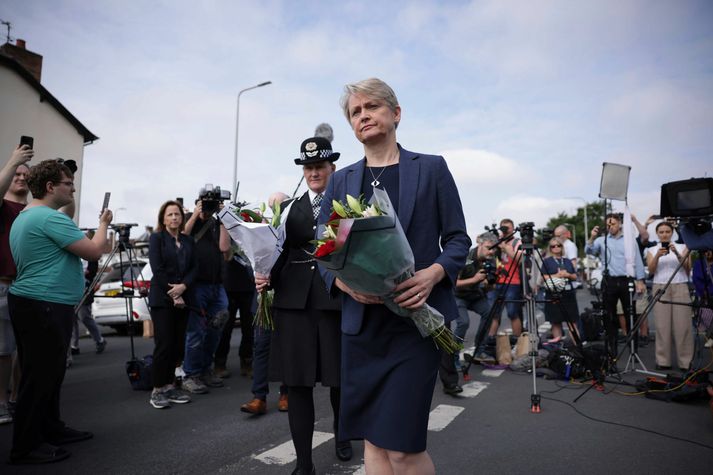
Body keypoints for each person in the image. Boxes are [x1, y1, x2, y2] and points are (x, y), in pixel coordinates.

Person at [319, 78, 470, 475]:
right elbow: (322, 252)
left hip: (415, 325)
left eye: (372, 106)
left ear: (396, 113)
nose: (364, 115)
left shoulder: (432, 168)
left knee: (403, 448)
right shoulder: (341, 180)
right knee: (373, 441)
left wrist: (433, 274)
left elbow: (457, 239)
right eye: (356, 111)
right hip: (362, 327)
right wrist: (344, 282)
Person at [256, 137, 350, 475]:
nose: (313, 172)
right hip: (293, 304)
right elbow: (275, 251)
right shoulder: (288, 209)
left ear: (331, 169)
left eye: (319, 167)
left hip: (333, 300)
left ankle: (343, 435)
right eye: (308, 168)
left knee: (339, 380)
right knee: (297, 385)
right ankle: (304, 463)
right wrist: (263, 273)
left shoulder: (347, 207)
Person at [8, 159, 112, 464]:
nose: (73, 187)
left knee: (47, 374)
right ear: (51, 187)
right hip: (45, 304)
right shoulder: (49, 219)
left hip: (36, 303)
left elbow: (68, 216)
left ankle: (50, 428)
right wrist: (103, 223)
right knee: (39, 376)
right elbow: (94, 250)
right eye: (68, 183)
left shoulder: (31, 215)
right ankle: (25, 445)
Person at [240, 191, 289, 416]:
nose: (274, 209)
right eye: (272, 206)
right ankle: (259, 396)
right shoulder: (261, 230)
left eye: (279, 205)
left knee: (286, 347)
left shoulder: (291, 229)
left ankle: (286, 393)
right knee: (261, 347)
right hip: (262, 297)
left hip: (286, 297)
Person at [147, 200, 196, 409]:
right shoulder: (157, 239)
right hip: (163, 299)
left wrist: (183, 287)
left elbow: (194, 268)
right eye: (170, 215)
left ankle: (169, 385)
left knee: (178, 345)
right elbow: (157, 270)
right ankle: (157, 389)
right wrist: (173, 293)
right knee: (164, 344)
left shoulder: (188, 241)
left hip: (183, 298)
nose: (174, 218)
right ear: (163, 218)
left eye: (177, 214)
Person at [181, 197, 231, 394]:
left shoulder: (217, 223)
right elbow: (182, 237)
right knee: (196, 331)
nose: (208, 209)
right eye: (205, 204)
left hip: (216, 284)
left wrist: (225, 218)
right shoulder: (188, 219)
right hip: (196, 285)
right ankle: (191, 374)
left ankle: (205, 369)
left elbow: (225, 249)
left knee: (215, 328)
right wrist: (195, 214)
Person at [0, 144, 32, 425]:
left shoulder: (32, 210)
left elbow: (66, 211)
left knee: (23, 348)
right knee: (3, 349)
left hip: (29, 286)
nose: (21, 178)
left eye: (26, 175)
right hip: (3, 284)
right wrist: (14, 160)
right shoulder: (3, 205)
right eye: (16, 174)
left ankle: (15, 399)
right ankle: (0, 403)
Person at [585, 213, 646, 357]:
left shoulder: (629, 240)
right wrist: (592, 237)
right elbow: (589, 251)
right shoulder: (602, 240)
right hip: (609, 281)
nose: (610, 227)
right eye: (608, 224)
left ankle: (633, 349)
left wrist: (640, 280)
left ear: (619, 223)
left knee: (630, 315)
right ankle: (612, 350)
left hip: (626, 280)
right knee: (609, 316)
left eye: (612, 224)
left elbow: (637, 260)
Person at [645, 221, 692, 371]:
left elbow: (688, 268)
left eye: (667, 231)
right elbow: (651, 271)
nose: (664, 234)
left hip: (680, 286)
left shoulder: (683, 247)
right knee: (662, 325)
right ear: (657, 234)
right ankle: (663, 360)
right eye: (661, 232)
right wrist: (658, 256)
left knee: (682, 325)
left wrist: (677, 254)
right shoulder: (652, 250)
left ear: (672, 233)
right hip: (660, 286)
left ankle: (685, 362)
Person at [214, 247, 255, 379]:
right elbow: (224, 249)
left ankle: (247, 361)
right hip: (228, 284)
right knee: (226, 328)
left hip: (249, 283)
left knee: (249, 327)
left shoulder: (252, 226)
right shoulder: (224, 227)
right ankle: (220, 363)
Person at [541, 237, 580, 340]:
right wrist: (556, 275)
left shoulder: (567, 261)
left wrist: (568, 275)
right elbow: (543, 277)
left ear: (562, 247)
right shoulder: (547, 261)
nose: (556, 248)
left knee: (572, 321)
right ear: (550, 248)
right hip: (553, 293)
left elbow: (575, 276)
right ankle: (557, 348)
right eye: (553, 246)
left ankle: (577, 346)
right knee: (555, 321)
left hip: (568, 293)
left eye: (558, 245)